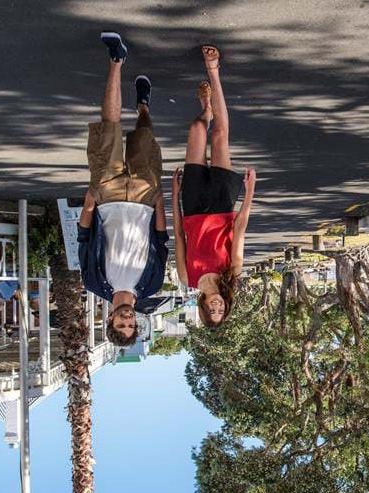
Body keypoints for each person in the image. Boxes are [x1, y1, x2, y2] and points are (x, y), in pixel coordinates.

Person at [78, 31, 168, 347]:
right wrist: (160, 204)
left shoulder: (93, 281)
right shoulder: (152, 284)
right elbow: (161, 241)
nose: (128, 319)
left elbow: (84, 239)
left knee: (109, 129)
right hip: (145, 199)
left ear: (111, 320)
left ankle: (117, 60)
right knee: (144, 137)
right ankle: (143, 105)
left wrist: (89, 206)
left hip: (107, 198)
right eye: (132, 324)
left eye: (122, 323)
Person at [172, 45, 256, 329]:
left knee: (197, 130)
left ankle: (206, 112)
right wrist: (248, 193)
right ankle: (214, 70)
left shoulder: (188, 278)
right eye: (221, 310)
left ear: (204, 307)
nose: (217, 307)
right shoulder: (232, 272)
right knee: (220, 136)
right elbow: (240, 229)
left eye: (212, 311)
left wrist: (174, 197)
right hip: (222, 204)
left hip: (193, 206)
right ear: (226, 306)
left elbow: (180, 238)